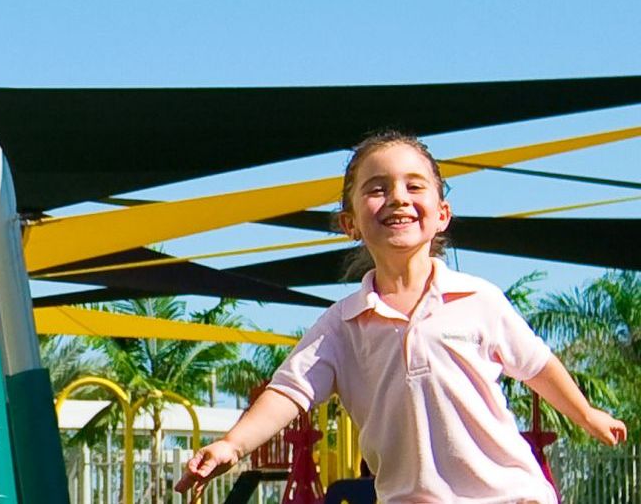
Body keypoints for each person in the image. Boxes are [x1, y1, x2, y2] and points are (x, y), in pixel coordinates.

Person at [175, 130, 628, 502]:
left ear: (442, 214)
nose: (397, 197)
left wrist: (587, 414)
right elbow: (289, 391)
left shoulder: (477, 299)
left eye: (415, 186)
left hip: (509, 496)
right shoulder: (342, 325)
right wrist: (232, 443)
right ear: (349, 222)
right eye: (376, 188)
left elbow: (536, 365)